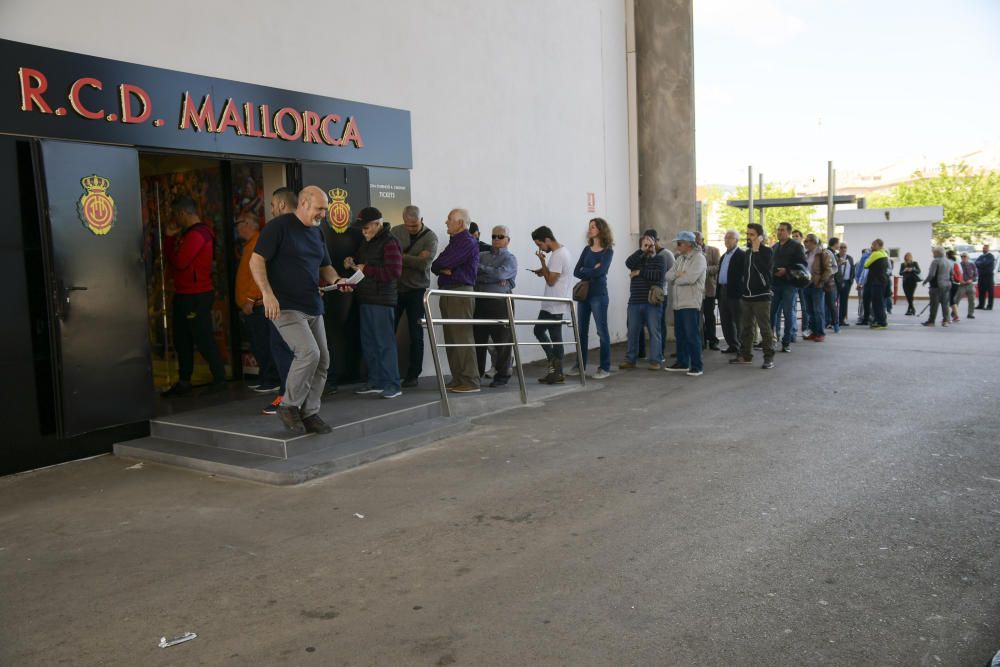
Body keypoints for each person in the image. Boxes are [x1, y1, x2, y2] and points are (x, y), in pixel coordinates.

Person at [250, 186, 347, 435]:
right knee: (308, 353)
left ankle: (309, 413)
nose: (323, 214)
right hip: (284, 306)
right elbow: (256, 260)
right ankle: (289, 405)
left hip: (313, 305)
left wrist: (337, 281)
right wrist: (267, 293)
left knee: (323, 360)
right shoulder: (278, 227)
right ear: (303, 203)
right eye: (319, 209)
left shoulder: (317, 233)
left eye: (325, 209)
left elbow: (326, 267)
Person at [161, 195, 226, 397]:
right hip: (185, 293)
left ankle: (220, 379)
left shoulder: (198, 235)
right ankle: (184, 381)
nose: (174, 219)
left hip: (195, 295)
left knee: (202, 336)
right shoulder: (192, 233)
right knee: (182, 339)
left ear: (183, 213)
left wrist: (170, 239)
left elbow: (180, 262)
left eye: (175, 214)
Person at [348, 207, 403, 399]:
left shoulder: (390, 242)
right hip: (366, 298)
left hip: (382, 301)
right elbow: (363, 264)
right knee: (369, 343)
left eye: (366, 228)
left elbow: (394, 272)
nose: (363, 232)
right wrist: (352, 262)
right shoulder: (367, 242)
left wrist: (366, 269)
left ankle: (393, 385)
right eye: (361, 228)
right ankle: (377, 381)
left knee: (384, 344)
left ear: (377, 224)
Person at [430, 208, 481, 392]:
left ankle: (470, 380)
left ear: (460, 223)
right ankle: (459, 378)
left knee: (461, 335)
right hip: (449, 291)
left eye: (450, 219)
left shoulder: (467, 241)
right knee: (451, 337)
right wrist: (445, 269)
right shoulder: (455, 242)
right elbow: (436, 265)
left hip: (459, 293)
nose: (446, 222)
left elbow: (442, 263)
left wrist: (446, 268)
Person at [390, 205, 438, 388]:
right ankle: (390, 372)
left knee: (416, 334)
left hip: (418, 291)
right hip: (397, 288)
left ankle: (413, 374)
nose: (412, 229)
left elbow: (424, 263)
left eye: (415, 225)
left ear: (421, 220)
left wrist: (402, 257)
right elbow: (391, 258)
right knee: (389, 331)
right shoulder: (395, 232)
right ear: (403, 221)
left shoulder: (430, 237)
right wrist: (413, 257)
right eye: (409, 226)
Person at [260, 188, 298, 415]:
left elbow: (257, 262)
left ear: (282, 205)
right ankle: (295, 395)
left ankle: (287, 396)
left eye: (273, 205)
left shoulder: (276, 228)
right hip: (301, 302)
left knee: (284, 349)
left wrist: (267, 294)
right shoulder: (307, 228)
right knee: (301, 352)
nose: (271, 209)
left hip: (284, 304)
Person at [234, 212, 280, 393]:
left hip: (257, 304)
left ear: (250, 224)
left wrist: (251, 299)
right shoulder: (250, 244)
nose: (237, 227)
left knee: (263, 343)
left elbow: (259, 274)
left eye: (240, 223)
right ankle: (266, 377)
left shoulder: (257, 243)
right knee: (258, 342)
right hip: (254, 304)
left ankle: (271, 379)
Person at [473, 225, 518, 387]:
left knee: (503, 341)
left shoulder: (510, 258)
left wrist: (485, 273)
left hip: (500, 303)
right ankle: (475, 375)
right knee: (478, 341)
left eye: (500, 236)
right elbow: (474, 274)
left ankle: (502, 375)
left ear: (508, 240)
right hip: (480, 301)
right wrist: (493, 276)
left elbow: (502, 274)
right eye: (494, 236)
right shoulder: (481, 255)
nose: (496, 239)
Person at [571, 218, 614, 379]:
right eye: (589, 227)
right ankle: (579, 365)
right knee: (581, 331)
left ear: (601, 230)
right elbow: (576, 271)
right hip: (584, 296)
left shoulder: (608, 251)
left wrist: (587, 270)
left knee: (602, 331)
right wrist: (591, 269)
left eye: (593, 227)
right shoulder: (586, 250)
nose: (590, 230)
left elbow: (601, 272)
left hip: (599, 295)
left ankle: (604, 367)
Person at [530, 226, 573, 385]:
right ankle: (556, 369)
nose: (540, 248)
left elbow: (551, 280)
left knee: (546, 333)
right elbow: (555, 275)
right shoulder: (562, 252)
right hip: (556, 302)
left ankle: (555, 366)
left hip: (554, 303)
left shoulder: (557, 255)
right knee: (551, 335)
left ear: (547, 240)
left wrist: (542, 262)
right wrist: (543, 269)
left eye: (540, 244)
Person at [730, 223, 775, 369]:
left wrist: (756, 252)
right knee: (746, 328)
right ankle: (746, 355)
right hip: (746, 297)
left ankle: (769, 358)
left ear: (760, 237)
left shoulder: (767, 252)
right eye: (747, 234)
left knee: (765, 329)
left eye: (752, 234)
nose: (749, 237)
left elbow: (764, 271)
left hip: (761, 297)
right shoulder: (747, 253)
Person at [621, 233, 667, 370]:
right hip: (634, 301)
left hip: (652, 302)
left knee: (654, 331)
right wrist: (641, 251)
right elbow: (628, 263)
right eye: (645, 243)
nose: (648, 246)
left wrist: (639, 273)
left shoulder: (660, 259)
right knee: (633, 332)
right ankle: (630, 360)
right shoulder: (637, 259)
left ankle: (655, 360)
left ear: (655, 244)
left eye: (650, 243)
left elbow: (657, 276)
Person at [665, 231, 707, 376]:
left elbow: (690, 278)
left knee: (692, 335)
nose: (677, 246)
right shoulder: (680, 259)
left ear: (688, 244)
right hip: (678, 303)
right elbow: (667, 275)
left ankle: (697, 365)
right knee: (680, 335)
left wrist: (677, 278)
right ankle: (682, 363)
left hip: (690, 303)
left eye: (679, 243)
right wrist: (678, 275)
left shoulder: (699, 259)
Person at [769, 222, 807, 353]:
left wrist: (787, 270)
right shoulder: (775, 247)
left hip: (789, 284)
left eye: (782, 230)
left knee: (788, 313)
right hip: (775, 284)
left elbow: (802, 264)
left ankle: (786, 342)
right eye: (778, 230)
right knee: (771, 313)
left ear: (789, 232)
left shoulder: (796, 246)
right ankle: (771, 340)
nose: (779, 232)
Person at [717, 230, 744, 354]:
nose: (727, 240)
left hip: (736, 292)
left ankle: (743, 347)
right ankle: (732, 345)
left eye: (730, 238)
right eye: (725, 238)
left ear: (736, 240)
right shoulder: (724, 256)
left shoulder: (741, 255)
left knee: (738, 320)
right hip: (723, 290)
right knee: (725, 319)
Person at [802, 233, 833, 340]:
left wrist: (820, 281)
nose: (805, 243)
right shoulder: (806, 254)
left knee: (818, 310)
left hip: (817, 286)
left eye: (807, 241)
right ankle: (812, 331)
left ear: (814, 242)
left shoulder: (823, 254)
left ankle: (820, 333)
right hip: (807, 285)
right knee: (809, 311)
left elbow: (828, 270)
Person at [694, 231, 721, 351]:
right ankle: (702, 341)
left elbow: (718, 267)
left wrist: (704, 270)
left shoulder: (713, 250)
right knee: (699, 318)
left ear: (702, 240)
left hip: (709, 289)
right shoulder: (692, 253)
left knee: (710, 316)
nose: (696, 243)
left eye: (697, 241)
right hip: (696, 291)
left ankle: (713, 341)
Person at [922, 247, 953, 327]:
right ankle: (946, 321)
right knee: (945, 304)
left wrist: (925, 281)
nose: (933, 254)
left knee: (934, 305)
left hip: (936, 286)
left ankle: (931, 322)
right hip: (947, 285)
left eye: (933, 253)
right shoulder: (949, 261)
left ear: (937, 253)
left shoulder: (935, 261)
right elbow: (951, 274)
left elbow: (932, 274)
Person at [863, 239, 890, 329]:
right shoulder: (885, 254)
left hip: (876, 282)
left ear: (879, 245)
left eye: (874, 245)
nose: (872, 247)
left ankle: (881, 322)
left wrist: (870, 254)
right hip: (883, 281)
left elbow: (866, 265)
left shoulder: (875, 254)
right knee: (881, 302)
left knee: (876, 303)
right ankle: (882, 321)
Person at [954, 252, 978, 320]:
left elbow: (975, 274)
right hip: (962, 285)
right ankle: (954, 313)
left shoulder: (972, 265)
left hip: (970, 284)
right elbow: (955, 274)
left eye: (965, 256)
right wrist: (959, 281)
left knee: (972, 300)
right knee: (956, 299)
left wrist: (972, 280)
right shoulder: (958, 265)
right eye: (962, 257)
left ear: (968, 257)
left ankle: (970, 314)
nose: (963, 258)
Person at [824, 238, 842, 332]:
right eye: (839, 244)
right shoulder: (829, 253)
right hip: (829, 283)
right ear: (835, 243)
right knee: (831, 304)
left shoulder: (832, 253)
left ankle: (832, 323)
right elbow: (834, 268)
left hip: (829, 282)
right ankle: (834, 324)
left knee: (830, 304)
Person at [836, 242, 855, 327]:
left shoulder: (850, 258)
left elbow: (852, 270)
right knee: (834, 301)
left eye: (845, 247)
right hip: (837, 282)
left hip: (847, 282)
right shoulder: (835, 257)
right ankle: (833, 319)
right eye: (841, 247)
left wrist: (851, 280)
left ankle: (842, 319)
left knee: (844, 301)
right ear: (839, 248)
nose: (843, 249)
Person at [899, 252, 921, 316]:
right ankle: (912, 309)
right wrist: (904, 270)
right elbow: (900, 273)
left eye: (909, 257)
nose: (908, 258)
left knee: (910, 295)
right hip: (905, 281)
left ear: (911, 257)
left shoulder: (914, 263)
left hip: (913, 281)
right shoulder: (903, 264)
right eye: (906, 257)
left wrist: (912, 269)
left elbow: (919, 271)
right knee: (907, 295)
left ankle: (909, 310)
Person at [854, 246, 871, 325]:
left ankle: (868, 316)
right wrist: (858, 283)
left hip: (869, 284)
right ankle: (860, 317)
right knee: (861, 302)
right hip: (862, 285)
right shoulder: (859, 263)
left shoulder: (870, 262)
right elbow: (857, 274)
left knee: (868, 302)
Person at [975, 244, 995, 310]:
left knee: (990, 291)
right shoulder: (981, 256)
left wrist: (981, 264)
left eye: (985, 248)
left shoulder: (991, 256)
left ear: (988, 249)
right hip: (981, 276)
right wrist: (982, 263)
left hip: (988, 276)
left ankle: (989, 306)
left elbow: (986, 263)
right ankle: (981, 305)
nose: (983, 249)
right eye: (983, 248)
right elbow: (976, 263)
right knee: (981, 290)